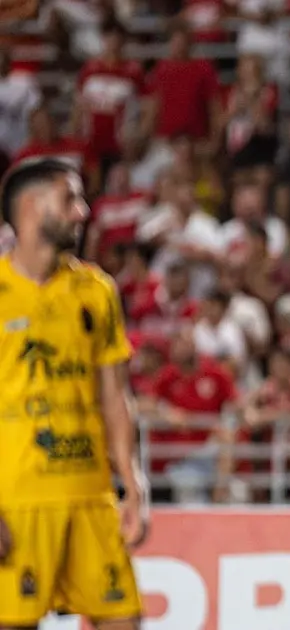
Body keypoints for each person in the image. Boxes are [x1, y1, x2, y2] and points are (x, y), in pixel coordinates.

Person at [0, 158, 145, 629]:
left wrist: (132, 481)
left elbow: (114, 394)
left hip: (91, 496)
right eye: (70, 199)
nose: (83, 212)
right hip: (17, 500)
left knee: (124, 619)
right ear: (29, 206)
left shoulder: (96, 290)